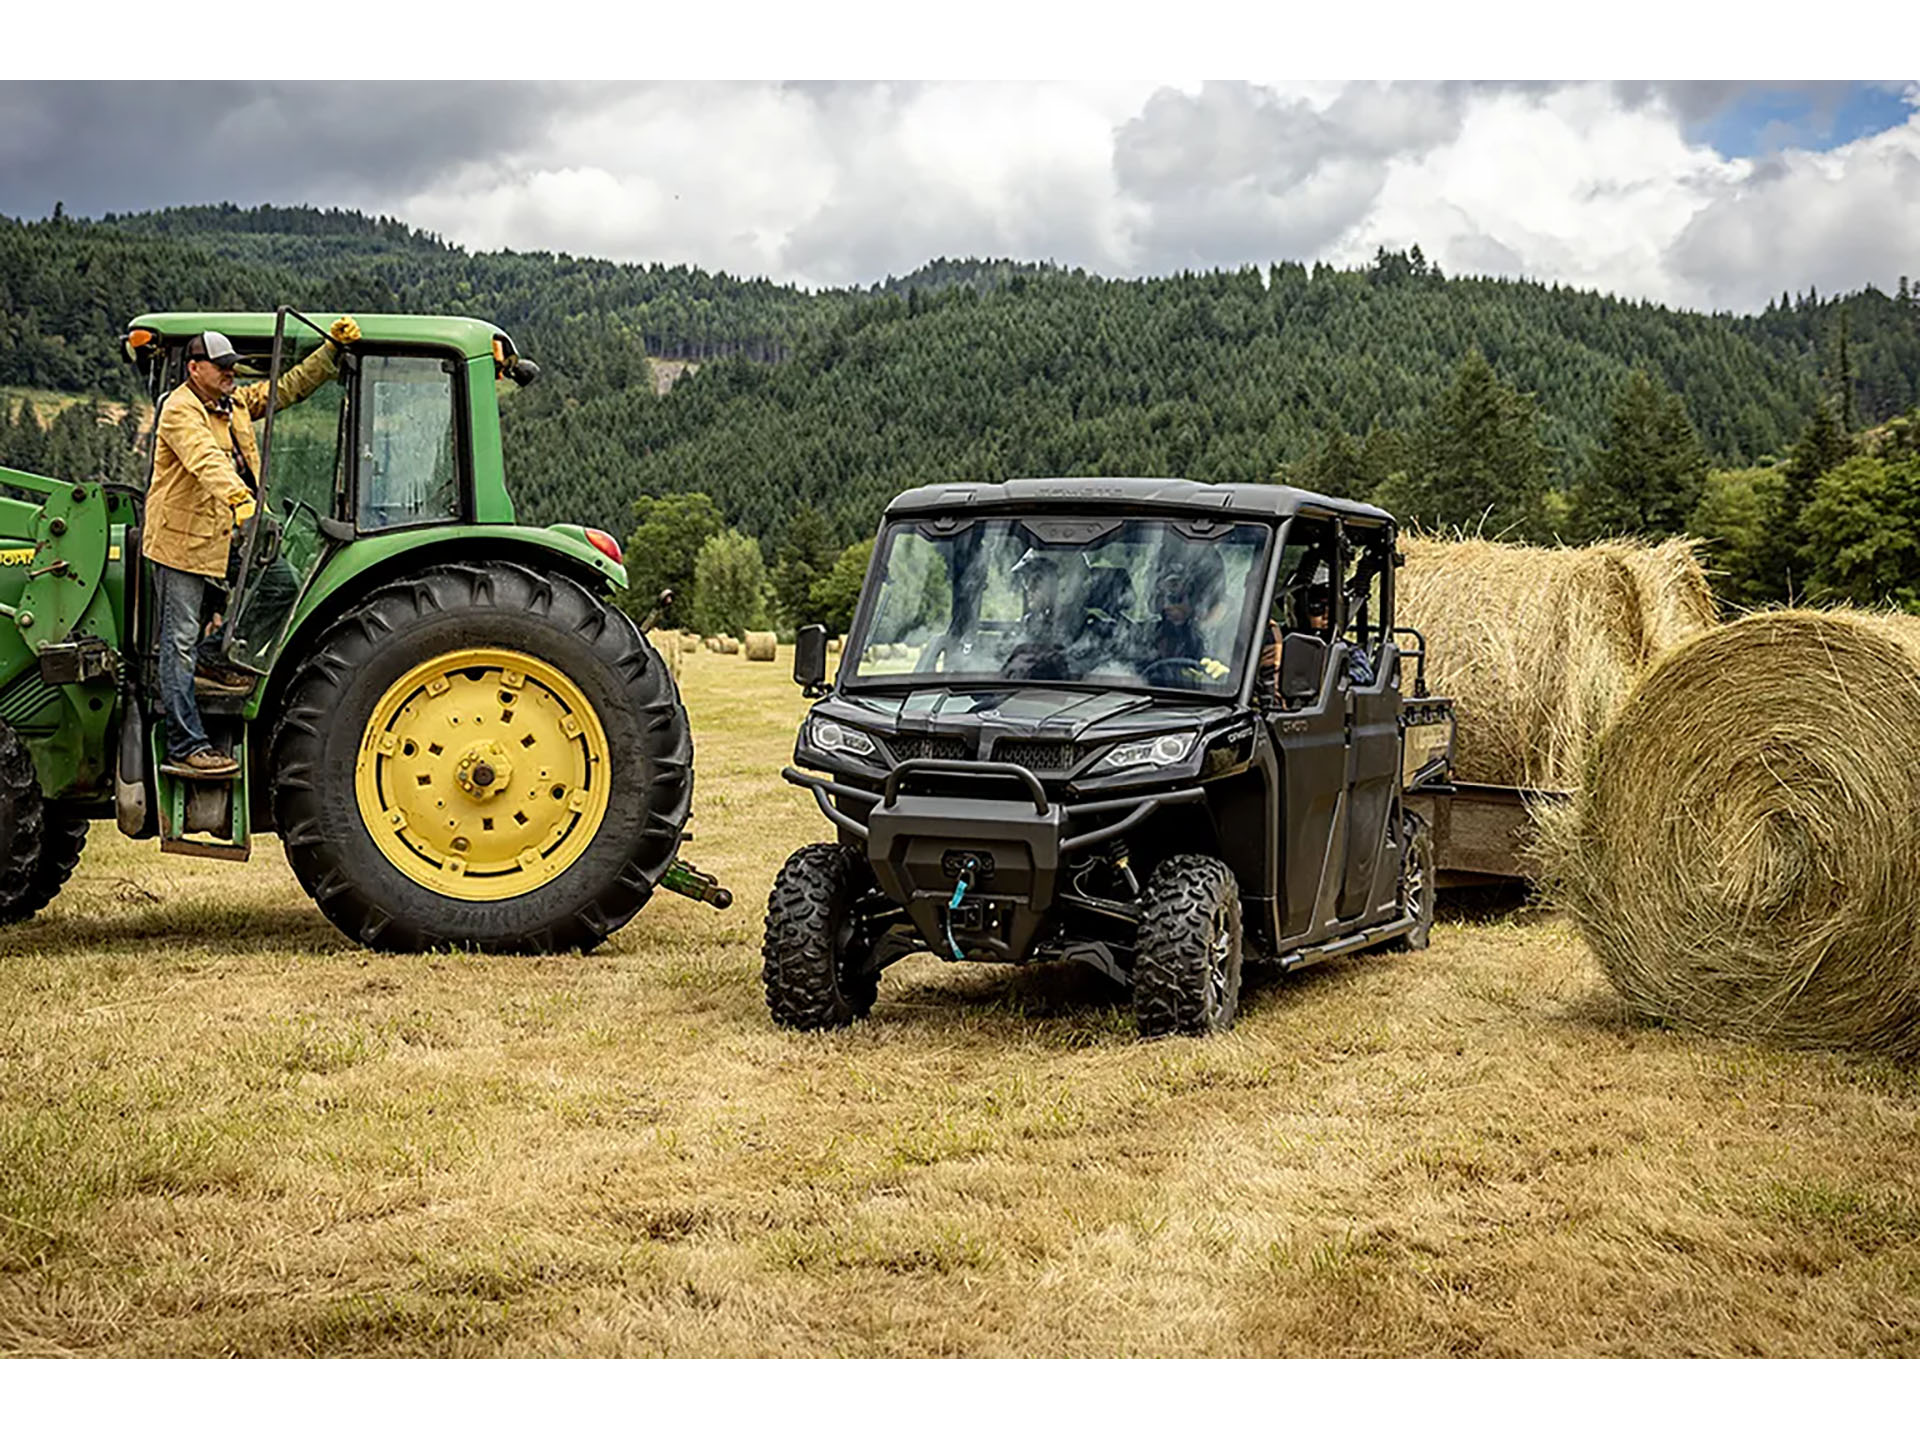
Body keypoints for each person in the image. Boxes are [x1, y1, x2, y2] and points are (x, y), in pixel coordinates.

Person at [148, 318, 359, 778]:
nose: (232, 374)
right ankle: (186, 745)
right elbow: (205, 460)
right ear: (194, 368)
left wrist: (328, 353)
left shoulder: (233, 403)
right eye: (222, 367)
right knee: (176, 645)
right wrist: (244, 501)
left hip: (225, 534)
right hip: (182, 544)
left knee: (283, 586)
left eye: (233, 367)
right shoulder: (180, 410)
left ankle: (217, 658)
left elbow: (286, 389)